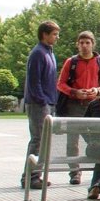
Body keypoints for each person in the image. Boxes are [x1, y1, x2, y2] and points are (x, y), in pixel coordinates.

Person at [55, 30, 100, 185]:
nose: (84, 46)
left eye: (87, 43)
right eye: (81, 43)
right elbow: (60, 84)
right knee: (72, 141)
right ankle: (75, 172)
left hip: (94, 105)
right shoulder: (71, 62)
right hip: (74, 105)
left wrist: (97, 90)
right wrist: (74, 92)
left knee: (98, 139)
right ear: (77, 45)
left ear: (93, 44)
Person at [22, 21, 60, 189]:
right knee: (38, 140)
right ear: (44, 34)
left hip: (48, 102)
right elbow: (34, 81)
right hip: (39, 104)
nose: (57, 37)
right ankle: (30, 177)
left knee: (43, 141)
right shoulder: (38, 53)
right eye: (54, 34)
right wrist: (42, 101)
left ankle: (35, 175)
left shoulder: (49, 52)